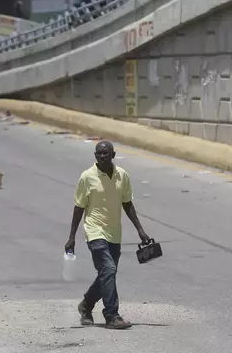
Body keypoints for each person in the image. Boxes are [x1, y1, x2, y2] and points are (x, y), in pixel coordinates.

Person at [65, 141, 150, 329]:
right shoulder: (87, 177)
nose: (102, 156)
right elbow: (79, 207)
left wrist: (140, 230)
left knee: (106, 273)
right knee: (109, 270)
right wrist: (71, 237)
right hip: (94, 231)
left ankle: (86, 305)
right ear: (95, 156)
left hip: (114, 233)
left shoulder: (122, 176)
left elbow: (127, 204)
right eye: (99, 154)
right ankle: (112, 315)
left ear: (113, 154)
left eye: (105, 153)